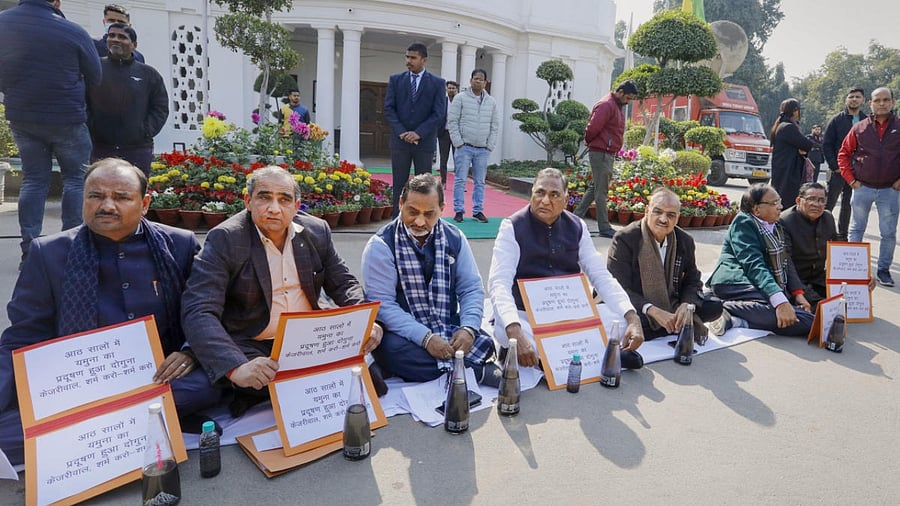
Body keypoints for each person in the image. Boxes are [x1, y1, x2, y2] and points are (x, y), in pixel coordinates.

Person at [0, 159, 217, 467]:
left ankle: (91, 431)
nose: (107, 205)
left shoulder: (178, 244)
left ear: (144, 204)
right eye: (95, 196)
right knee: (7, 432)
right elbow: (23, 334)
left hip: (159, 374)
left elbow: (203, 310)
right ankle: (142, 423)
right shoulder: (48, 252)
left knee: (209, 384)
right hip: (79, 384)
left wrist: (190, 351)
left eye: (121, 197)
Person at [181, 166, 383, 415]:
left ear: (296, 206)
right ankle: (252, 385)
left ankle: (260, 391)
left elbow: (343, 283)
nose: (274, 208)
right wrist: (236, 368)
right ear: (248, 201)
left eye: (284, 199)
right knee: (258, 377)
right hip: (253, 339)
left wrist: (363, 317)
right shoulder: (225, 239)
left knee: (374, 379)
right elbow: (198, 309)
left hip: (309, 338)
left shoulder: (316, 231)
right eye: (264, 197)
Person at [488, 168, 645, 369]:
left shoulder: (577, 226)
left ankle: (549, 358)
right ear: (532, 193)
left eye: (554, 195)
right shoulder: (512, 227)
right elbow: (498, 283)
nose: (545, 200)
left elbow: (600, 276)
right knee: (506, 329)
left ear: (566, 199)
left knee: (620, 322)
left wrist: (632, 317)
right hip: (526, 313)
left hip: (569, 314)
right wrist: (514, 329)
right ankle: (595, 352)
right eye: (540, 193)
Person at [362, 175, 498, 387]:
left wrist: (469, 328)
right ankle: (474, 370)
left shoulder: (455, 237)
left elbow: (470, 288)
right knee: (390, 349)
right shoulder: (381, 246)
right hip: (405, 330)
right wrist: (425, 338)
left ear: (442, 209)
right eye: (412, 212)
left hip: (446, 321)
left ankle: (433, 366)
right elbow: (384, 306)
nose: (419, 222)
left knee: (474, 335)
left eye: (429, 214)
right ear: (400, 204)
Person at [0, 0, 102, 261]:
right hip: (66, 117)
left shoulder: (4, 23)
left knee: (34, 180)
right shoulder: (72, 30)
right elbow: (96, 76)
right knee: (76, 179)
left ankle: (30, 249)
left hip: (23, 115)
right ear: (56, 2)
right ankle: (70, 247)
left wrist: (12, 91)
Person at [607, 188, 723, 340]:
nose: (663, 219)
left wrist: (686, 305)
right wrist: (652, 310)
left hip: (673, 302)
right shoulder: (626, 238)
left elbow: (693, 279)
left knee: (714, 306)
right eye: (658, 212)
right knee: (619, 319)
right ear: (647, 211)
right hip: (639, 306)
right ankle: (673, 325)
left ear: (677, 218)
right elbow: (616, 286)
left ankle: (672, 323)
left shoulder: (684, 241)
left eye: (670, 215)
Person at [707, 184, 814, 337]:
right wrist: (781, 302)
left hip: (758, 284)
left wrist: (798, 293)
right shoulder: (743, 223)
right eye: (774, 203)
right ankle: (717, 305)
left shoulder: (775, 225)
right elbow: (753, 265)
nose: (780, 207)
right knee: (794, 315)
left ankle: (739, 321)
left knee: (801, 317)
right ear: (756, 209)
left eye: (779, 201)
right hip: (734, 282)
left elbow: (785, 260)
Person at [87, 24, 168, 176]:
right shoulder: (94, 69)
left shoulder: (148, 74)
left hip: (137, 148)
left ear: (134, 45)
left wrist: (145, 131)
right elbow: (82, 102)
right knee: (104, 193)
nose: (115, 40)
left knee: (135, 194)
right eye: (111, 36)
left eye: (122, 37)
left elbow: (160, 108)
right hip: (100, 146)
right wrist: (92, 127)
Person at [838, 87, 900, 287]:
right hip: (862, 188)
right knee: (856, 229)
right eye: (877, 100)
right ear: (870, 104)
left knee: (888, 233)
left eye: (885, 100)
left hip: (890, 190)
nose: (881, 103)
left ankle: (883, 271)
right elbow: (843, 154)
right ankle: (855, 270)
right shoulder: (860, 128)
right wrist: (851, 181)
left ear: (892, 102)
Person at [384, 43, 447, 216]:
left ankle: (423, 219)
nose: (408, 61)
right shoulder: (396, 80)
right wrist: (402, 132)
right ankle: (397, 220)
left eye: (413, 58)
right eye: (407, 57)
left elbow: (439, 113)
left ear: (424, 60)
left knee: (424, 186)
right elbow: (389, 108)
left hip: (424, 143)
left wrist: (418, 133)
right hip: (400, 142)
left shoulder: (437, 83)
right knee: (399, 184)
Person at [573, 80, 638, 237]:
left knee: (595, 187)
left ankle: (573, 218)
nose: (628, 102)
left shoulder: (616, 106)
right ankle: (604, 227)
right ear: (620, 92)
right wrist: (590, 142)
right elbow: (592, 128)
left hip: (605, 151)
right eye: (628, 98)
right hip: (601, 152)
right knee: (601, 191)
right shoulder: (607, 105)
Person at [449, 68, 500, 224]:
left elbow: (494, 125)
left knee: (480, 181)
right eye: (475, 78)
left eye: (481, 79)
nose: (478, 81)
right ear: (470, 80)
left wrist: (489, 146)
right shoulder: (460, 98)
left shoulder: (491, 101)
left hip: (482, 150)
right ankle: (459, 210)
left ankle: (478, 211)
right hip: (465, 147)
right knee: (460, 180)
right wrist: (459, 143)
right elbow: (453, 122)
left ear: (485, 82)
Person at [823, 88, 866, 241]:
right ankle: (822, 233)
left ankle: (842, 236)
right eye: (851, 97)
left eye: (857, 97)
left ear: (863, 101)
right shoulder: (836, 120)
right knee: (829, 203)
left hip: (857, 173)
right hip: (838, 171)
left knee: (848, 205)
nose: (854, 99)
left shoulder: (867, 121)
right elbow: (826, 144)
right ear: (846, 100)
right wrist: (835, 166)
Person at [770, 98, 814, 207]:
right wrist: (801, 150)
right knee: (787, 203)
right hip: (788, 172)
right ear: (795, 111)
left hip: (783, 169)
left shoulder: (782, 125)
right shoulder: (788, 127)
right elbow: (807, 144)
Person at [437, 80, 459, 186]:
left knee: (458, 159)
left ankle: (459, 183)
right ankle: (443, 181)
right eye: (449, 88)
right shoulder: (442, 101)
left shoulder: (460, 102)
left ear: (456, 90)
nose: (451, 90)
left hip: (456, 134)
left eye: (453, 88)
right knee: (443, 159)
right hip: (444, 133)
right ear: (446, 89)